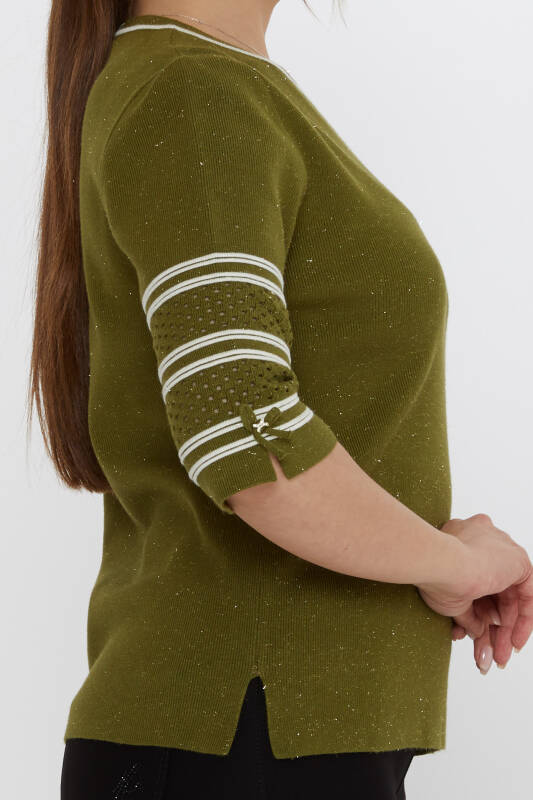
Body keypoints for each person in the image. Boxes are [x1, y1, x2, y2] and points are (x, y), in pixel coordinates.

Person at [28, 1, 533, 798]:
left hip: (271, 734)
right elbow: (246, 443)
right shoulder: (192, 92)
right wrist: (455, 565)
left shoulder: (216, 84)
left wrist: (424, 551)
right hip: (242, 736)